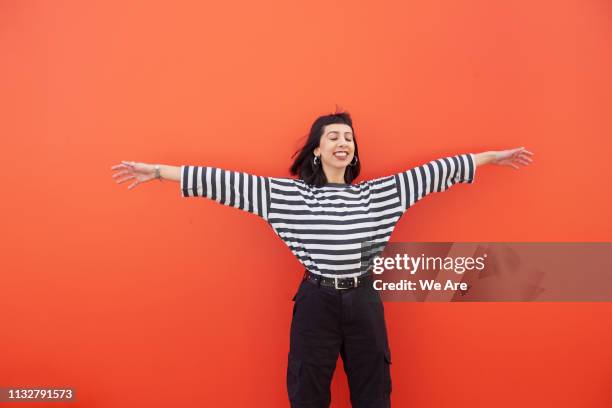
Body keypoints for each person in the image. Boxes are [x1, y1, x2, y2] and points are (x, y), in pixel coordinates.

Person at [110, 111, 533, 407]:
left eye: (348, 137)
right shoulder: (291, 198)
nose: (342, 142)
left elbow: (435, 172)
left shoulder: (381, 194)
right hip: (316, 304)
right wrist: (160, 171)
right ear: (316, 150)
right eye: (333, 136)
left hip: (364, 300)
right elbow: (225, 182)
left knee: (374, 392)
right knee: (308, 392)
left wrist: (489, 158)